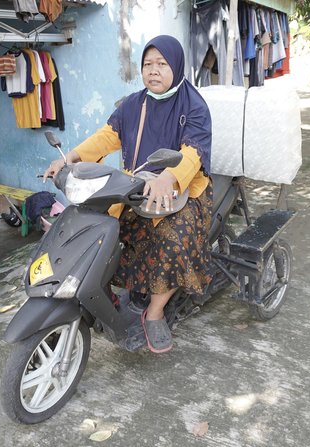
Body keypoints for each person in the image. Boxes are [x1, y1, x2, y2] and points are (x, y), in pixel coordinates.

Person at [44, 35, 212, 353]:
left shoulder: (194, 106)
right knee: (105, 233)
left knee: (174, 238)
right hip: (137, 186)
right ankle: (110, 296)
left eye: (162, 64)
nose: (154, 71)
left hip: (185, 189)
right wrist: (70, 159)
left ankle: (155, 311)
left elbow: (193, 153)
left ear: (176, 66)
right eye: (148, 64)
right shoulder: (134, 104)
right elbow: (106, 138)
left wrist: (170, 178)